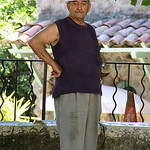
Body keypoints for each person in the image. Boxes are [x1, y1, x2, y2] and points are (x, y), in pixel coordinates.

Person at [28, 0, 102, 150]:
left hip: (93, 91)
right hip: (70, 91)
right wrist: (53, 64)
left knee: (90, 144)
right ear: (68, 6)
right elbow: (35, 42)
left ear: (89, 7)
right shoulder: (60, 26)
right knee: (72, 143)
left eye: (83, 3)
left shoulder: (90, 30)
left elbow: (91, 55)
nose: (79, 7)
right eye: (75, 3)